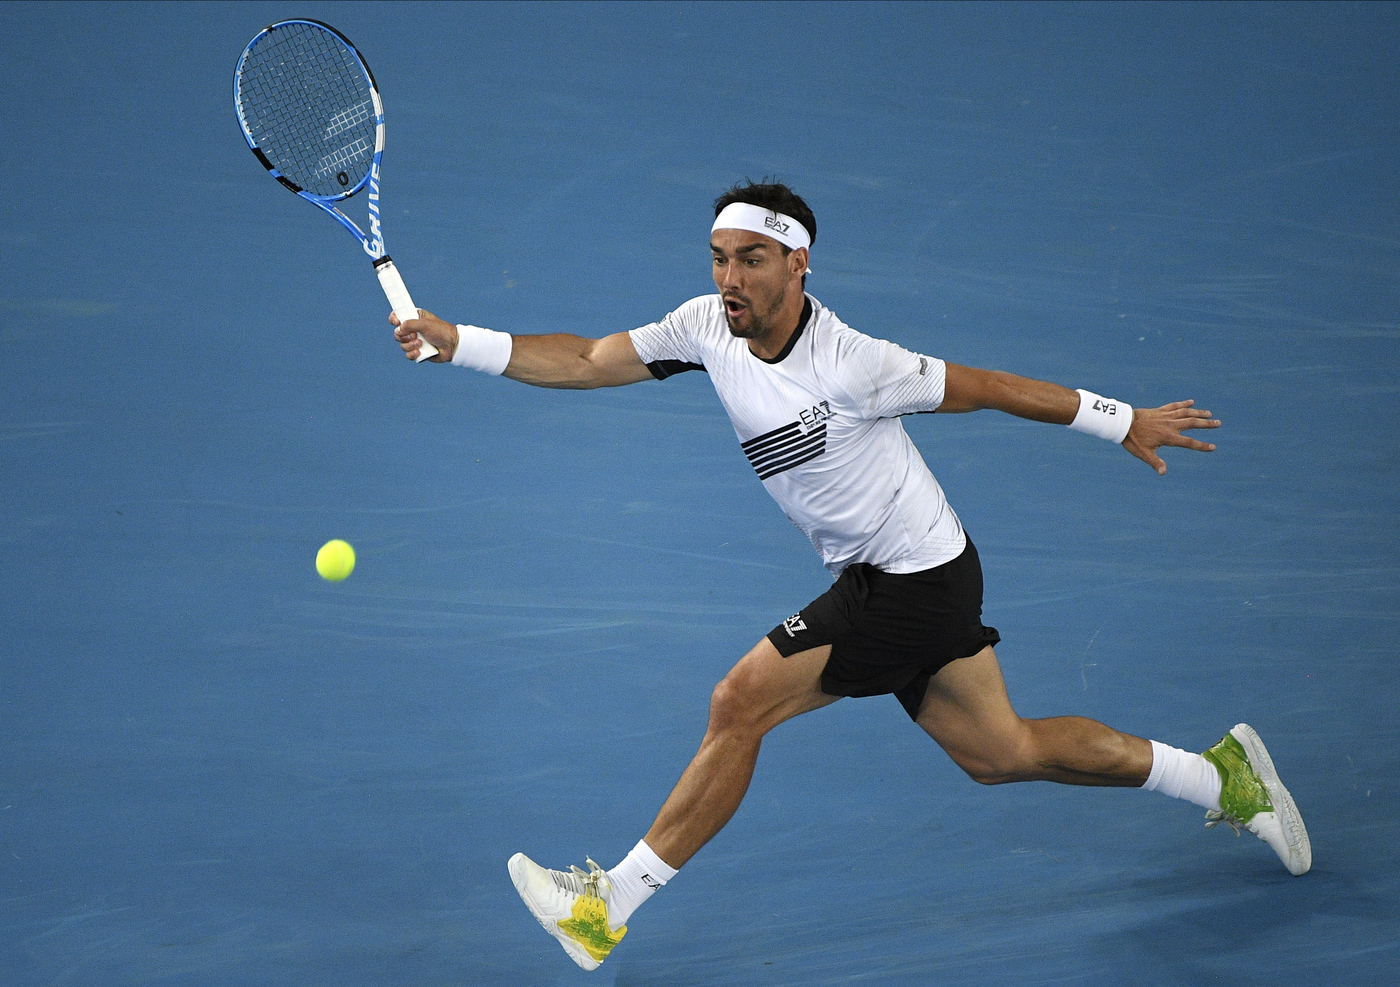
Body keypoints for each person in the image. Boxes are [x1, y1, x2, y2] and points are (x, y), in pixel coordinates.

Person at [392, 181, 1311, 972]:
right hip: (921, 570)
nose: (729, 278)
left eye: (752, 260)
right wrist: (459, 340)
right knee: (1002, 752)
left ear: (798, 264)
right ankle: (1222, 778)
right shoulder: (704, 326)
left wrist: (1122, 419)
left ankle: (607, 907)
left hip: (910, 581)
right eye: (719, 258)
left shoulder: (856, 365)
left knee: (740, 702)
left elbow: (990, 386)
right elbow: (590, 359)